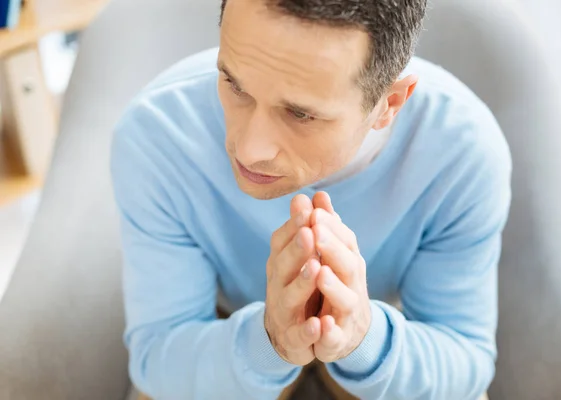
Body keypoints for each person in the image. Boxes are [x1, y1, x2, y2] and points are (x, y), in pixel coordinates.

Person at [110, 0, 511, 399]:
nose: (249, 150)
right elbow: (157, 359)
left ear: (389, 104)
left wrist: (365, 339)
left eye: (300, 114)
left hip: (389, 326)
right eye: (234, 84)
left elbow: (466, 361)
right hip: (223, 327)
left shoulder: (462, 151)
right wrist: (268, 344)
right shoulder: (156, 135)